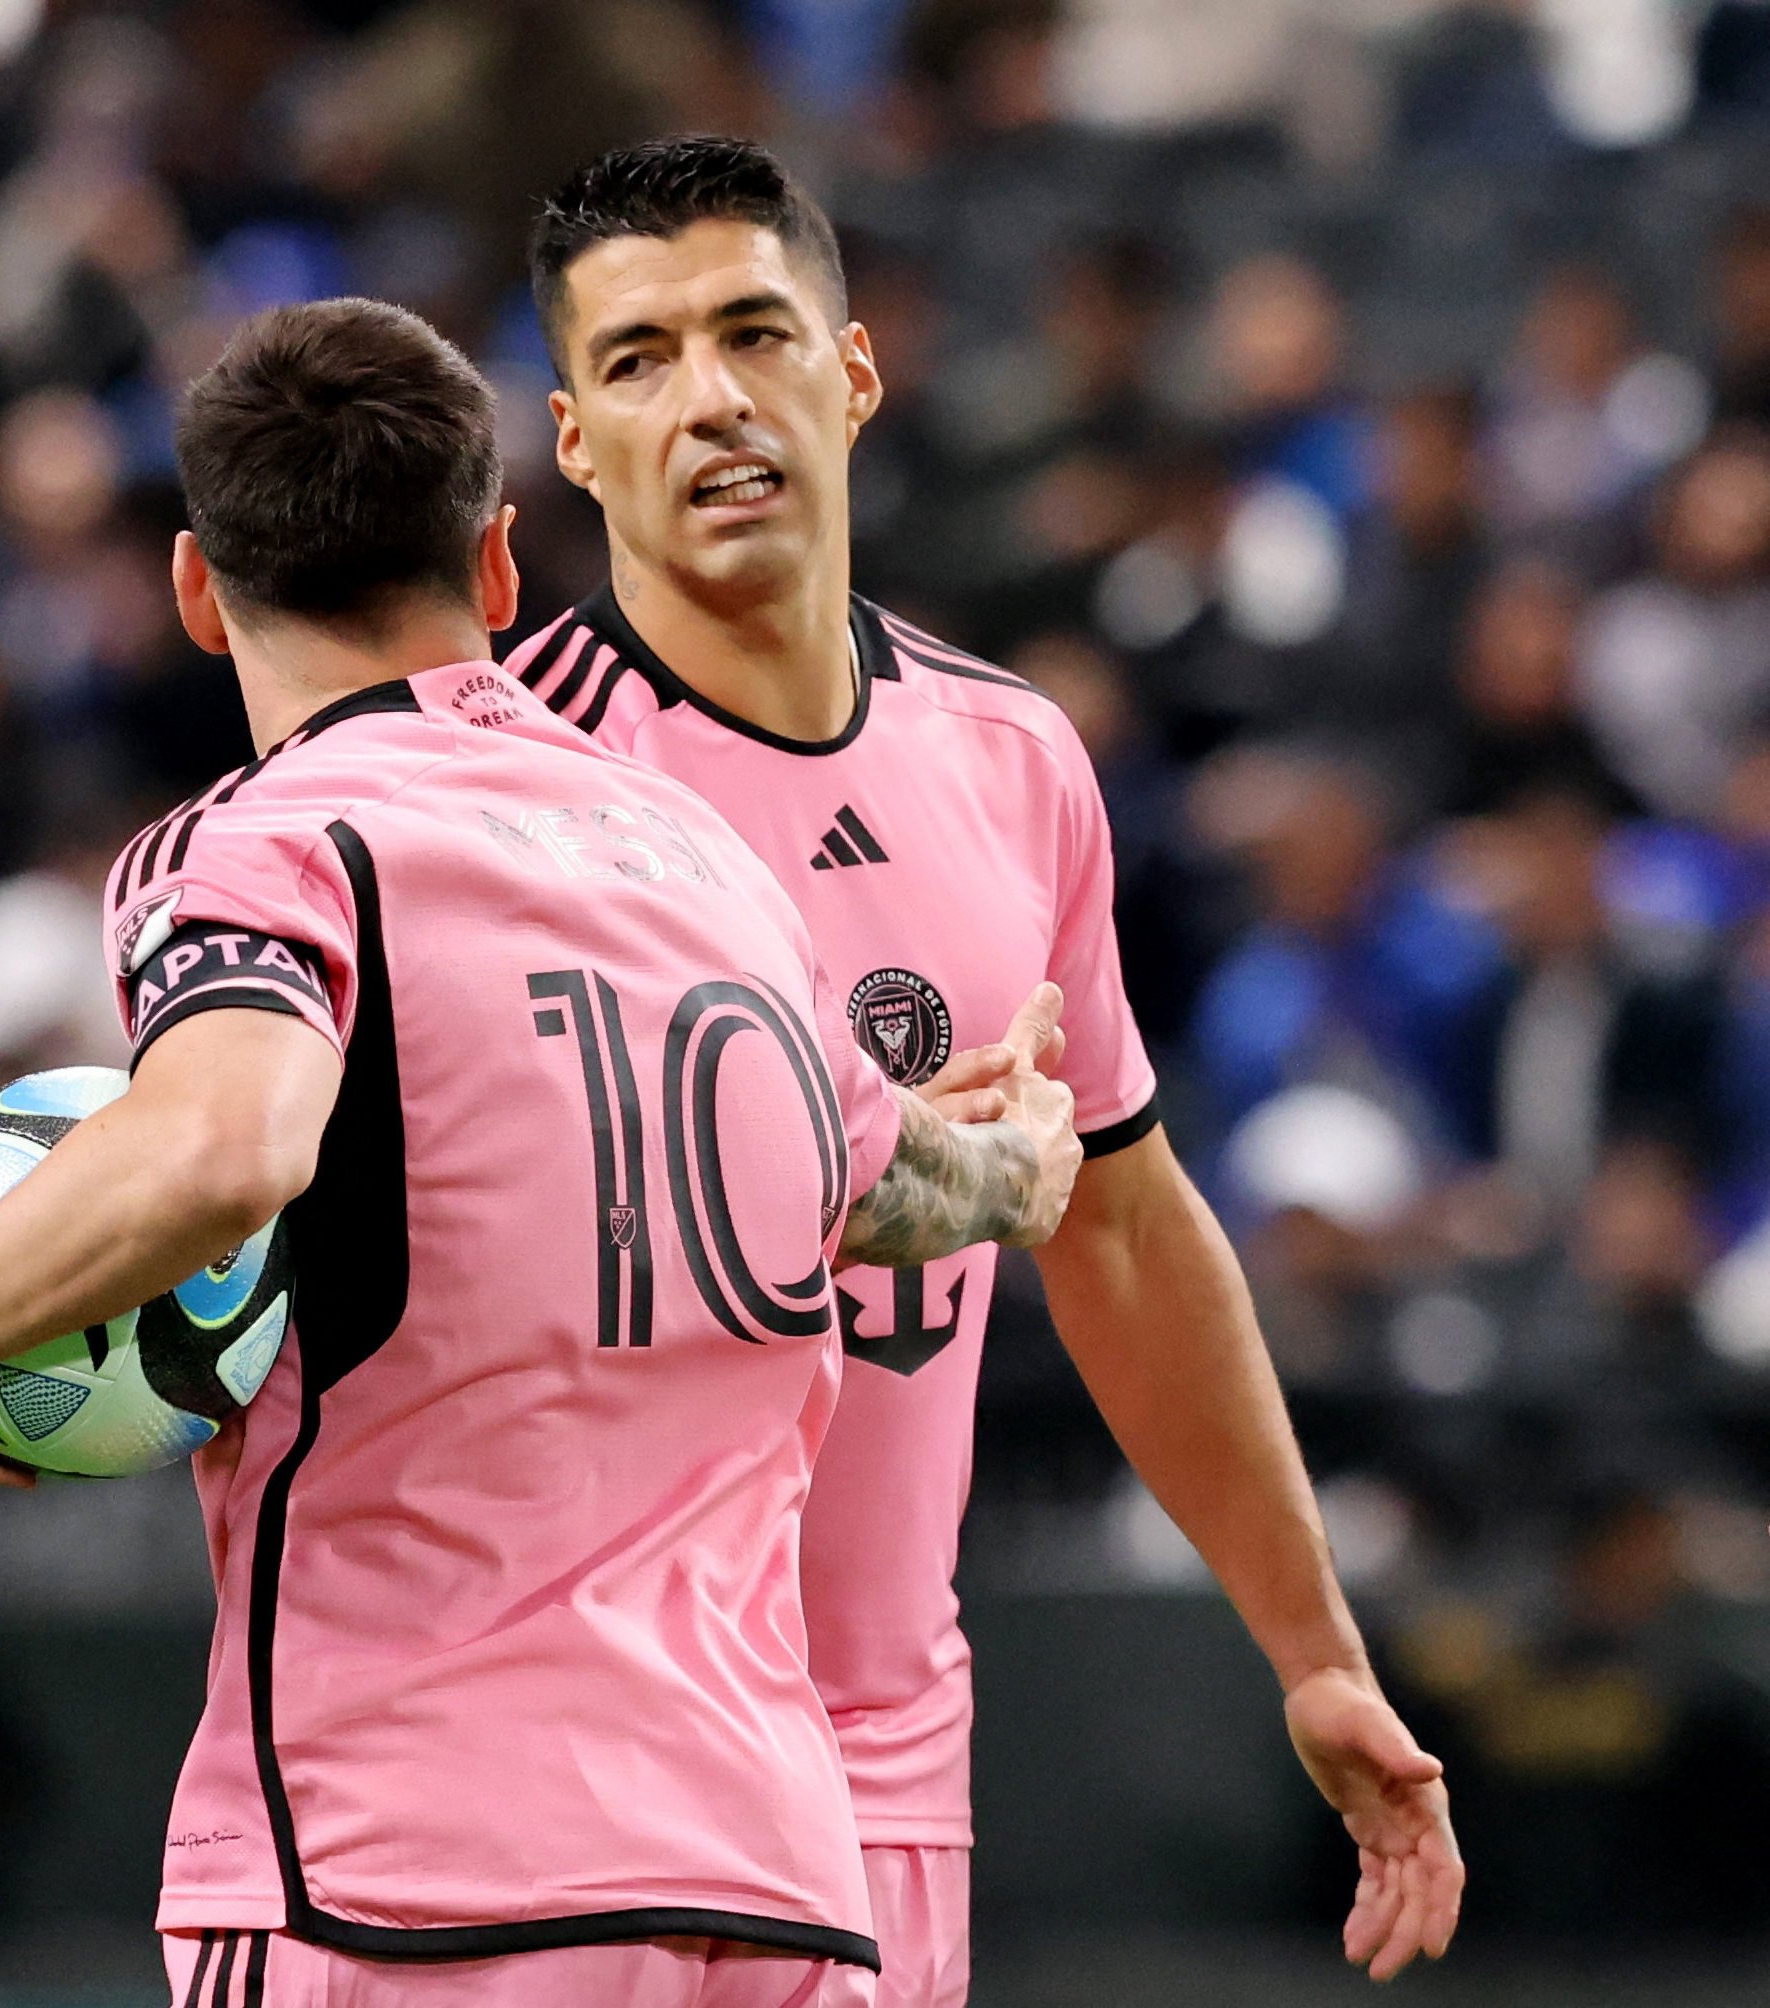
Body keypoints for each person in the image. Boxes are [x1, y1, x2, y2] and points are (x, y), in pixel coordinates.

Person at [0, 298, 1082, 2008]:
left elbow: (226, 1143)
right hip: (771, 1890)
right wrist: (1024, 1141)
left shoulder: (262, 849)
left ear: (199, 589)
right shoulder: (705, 865)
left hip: (406, 1881)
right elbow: (920, 1193)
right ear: (499, 569)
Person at [509, 138, 1466, 2005]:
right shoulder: (500, 793)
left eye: (751, 332)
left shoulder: (1010, 761)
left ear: (849, 377)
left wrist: (1313, 1649)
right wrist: (869, 1169)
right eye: (635, 360)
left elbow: (1118, 1230)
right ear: (569, 439)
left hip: (879, 1777)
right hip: (573, 1776)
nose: (706, 399)